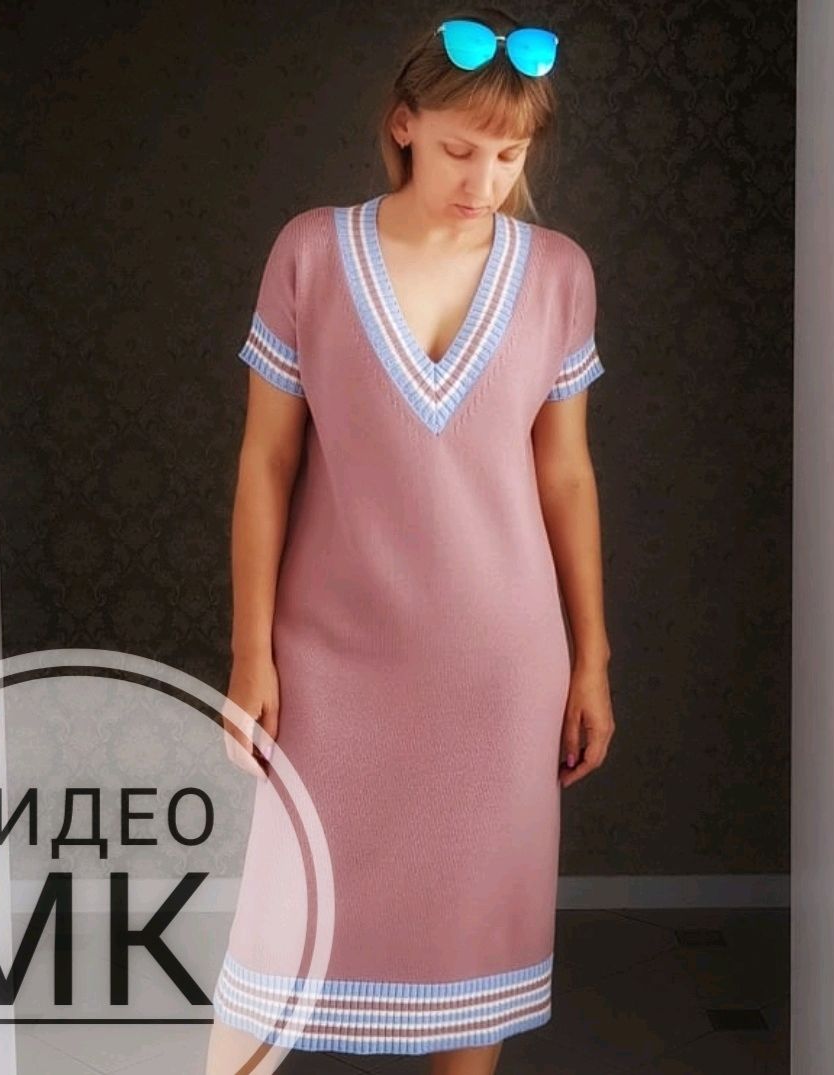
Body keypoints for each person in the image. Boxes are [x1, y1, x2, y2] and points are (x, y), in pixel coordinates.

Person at [205, 7, 615, 1074]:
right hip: (331, 654)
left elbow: (566, 476)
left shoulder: (559, 273)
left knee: (471, 941)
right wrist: (251, 653)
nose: (485, 179)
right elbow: (266, 464)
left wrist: (592, 658)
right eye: (460, 149)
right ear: (403, 125)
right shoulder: (310, 252)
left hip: (499, 661)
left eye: (509, 156)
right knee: (274, 938)